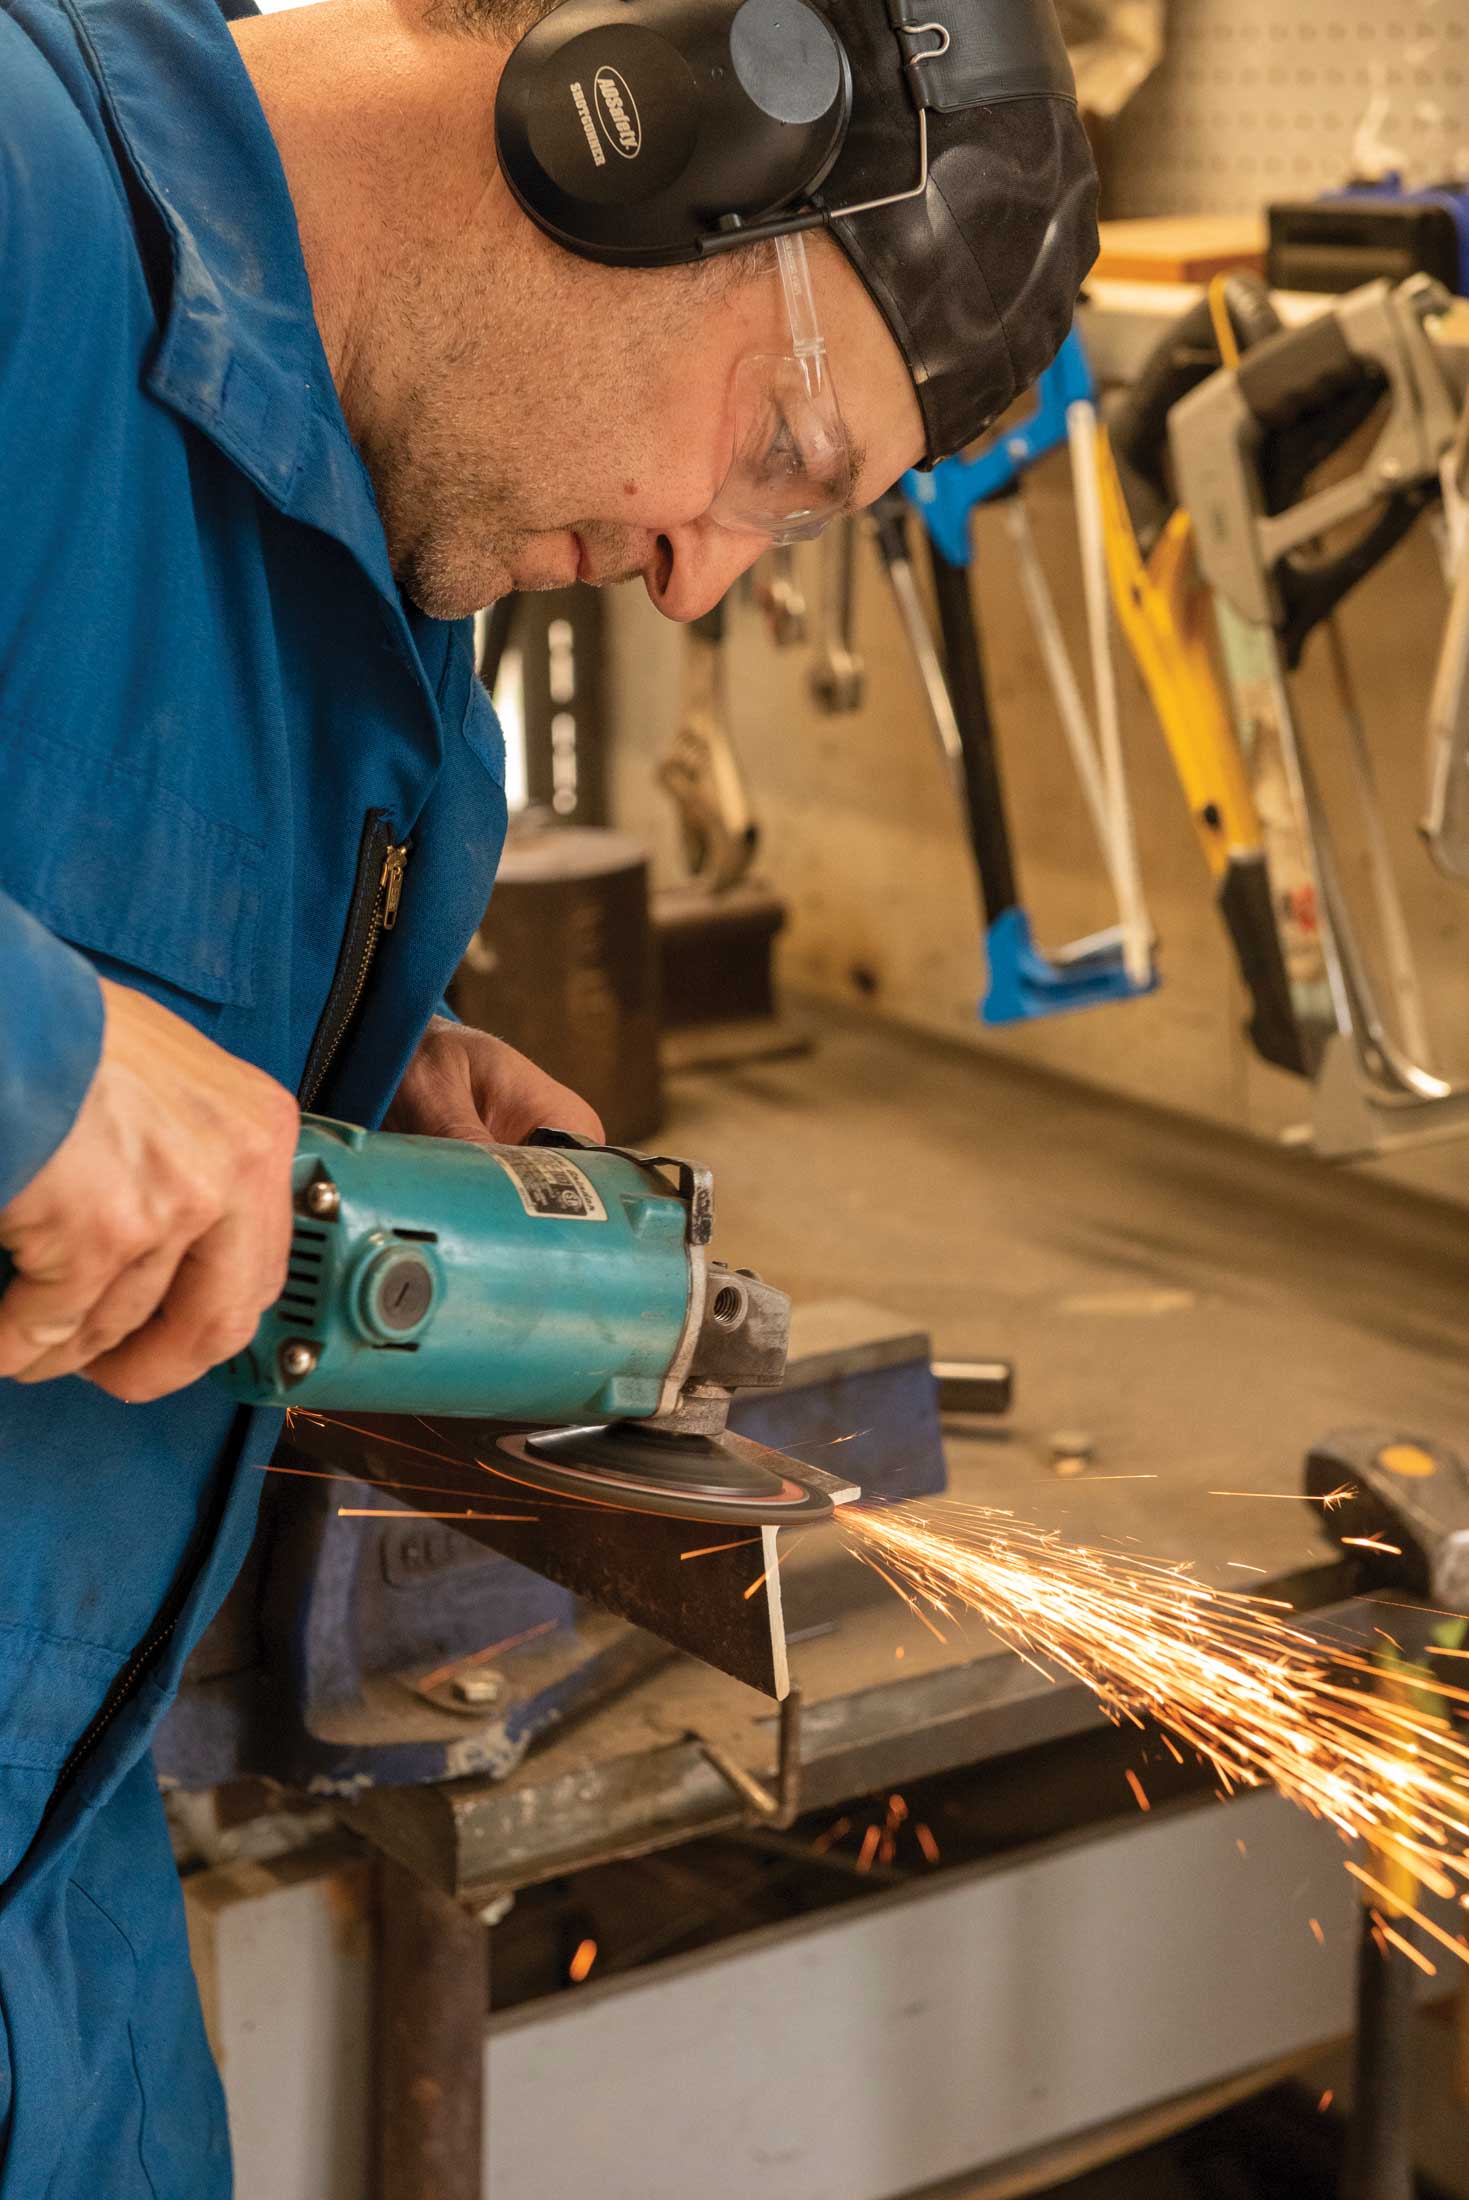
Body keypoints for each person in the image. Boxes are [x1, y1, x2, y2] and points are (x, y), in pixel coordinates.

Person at [0, 0, 1097, 2187]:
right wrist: (39, 1060)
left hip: (57, 1949)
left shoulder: (402, 572)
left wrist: (325, 1060)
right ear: (640, 118)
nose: (706, 567)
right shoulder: (19, 190)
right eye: (777, 453)